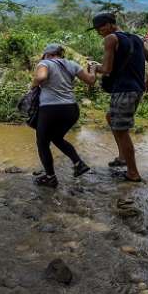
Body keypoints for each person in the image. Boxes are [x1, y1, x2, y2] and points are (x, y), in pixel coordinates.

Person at [89, 13, 148, 182]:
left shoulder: (111, 39)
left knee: (121, 131)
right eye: (97, 29)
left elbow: (106, 69)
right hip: (136, 89)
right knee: (110, 117)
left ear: (111, 24)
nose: (99, 32)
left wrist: (93, 67)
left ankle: (132, 173)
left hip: (124, 90)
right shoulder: (136, 39)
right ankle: (122, 158)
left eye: (100, 27)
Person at [31, 44, 97, 188]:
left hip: (50, 109)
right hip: (71, 109)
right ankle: (78, 163)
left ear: (47, 54)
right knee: (56, 138)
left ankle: (50, 178)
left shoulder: (45, 63)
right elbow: (91, 80)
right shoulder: (72, 64)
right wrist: (93, 69)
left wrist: (33, 85)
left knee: (42, 143)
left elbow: (41, 77)